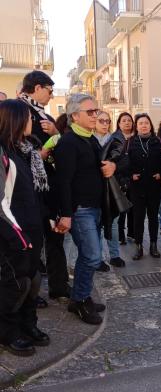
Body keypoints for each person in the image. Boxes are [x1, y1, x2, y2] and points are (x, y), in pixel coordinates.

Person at [54, 93, 115, 325]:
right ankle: (79, 300)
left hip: (94, 207)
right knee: (91, 256)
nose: (95, 115)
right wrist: (66, 214)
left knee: (88, 256)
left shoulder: (89, 138)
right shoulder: (68, 143)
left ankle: (81, 297)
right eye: (90, 112)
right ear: (74, 115)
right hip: (80, 210)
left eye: (96, 111)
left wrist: (112, 165)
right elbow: (63, 182)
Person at [0, 99, 50, 356]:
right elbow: (1, 202)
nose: (32, 121)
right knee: (15, 285)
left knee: (33, 281)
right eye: (28, 117)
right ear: (15, 120)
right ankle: (8, 333)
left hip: (32, 229)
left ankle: (28, 325)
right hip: (13, 235)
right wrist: (18, 237)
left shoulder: (25, 150)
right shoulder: (3, 154)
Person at [19, 70, 71, 304]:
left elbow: (62, 144)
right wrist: (37, 156)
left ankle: (59, 287)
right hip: (28, 188)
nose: (51, 95)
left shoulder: (44, 115)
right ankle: (30, 293)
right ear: (37, 88)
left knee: (54, 238)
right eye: (49, 91)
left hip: (48, 187)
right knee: (30, 243)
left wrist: (57, 133)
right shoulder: (18, 110)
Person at [128, 113, 161, 260]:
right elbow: (125, 162)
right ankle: (138, 246)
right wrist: (131, 174)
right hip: (137, 187)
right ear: (136, 126)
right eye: (141, 123)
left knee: (153, 217)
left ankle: (154, 245)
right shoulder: (130, 142)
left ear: (151, 125)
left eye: (146, 123)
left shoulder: (158, 141)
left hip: (154, 185)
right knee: (138, 217)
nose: (144, 125)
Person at [94, 112, 126, 269]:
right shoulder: (89, 140)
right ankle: (98, 258)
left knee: (112, 223)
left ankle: (115, 255)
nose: (105, 124)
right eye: (101, 120)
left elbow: (125, 162)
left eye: (107, 121)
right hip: (94, 188)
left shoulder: (116, 140)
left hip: (112, 187)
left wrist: (114, 166)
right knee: (97, 224)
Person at [115, 112, 135, 245]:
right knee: (121, 209)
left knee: (133, 207)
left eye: (129, 120)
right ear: (119, 123)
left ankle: (132, 233)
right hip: (118, 178)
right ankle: (120, 235)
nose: (127, 122)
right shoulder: (114, 138)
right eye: (124, 120)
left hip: (134, 178)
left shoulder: (136, 138)